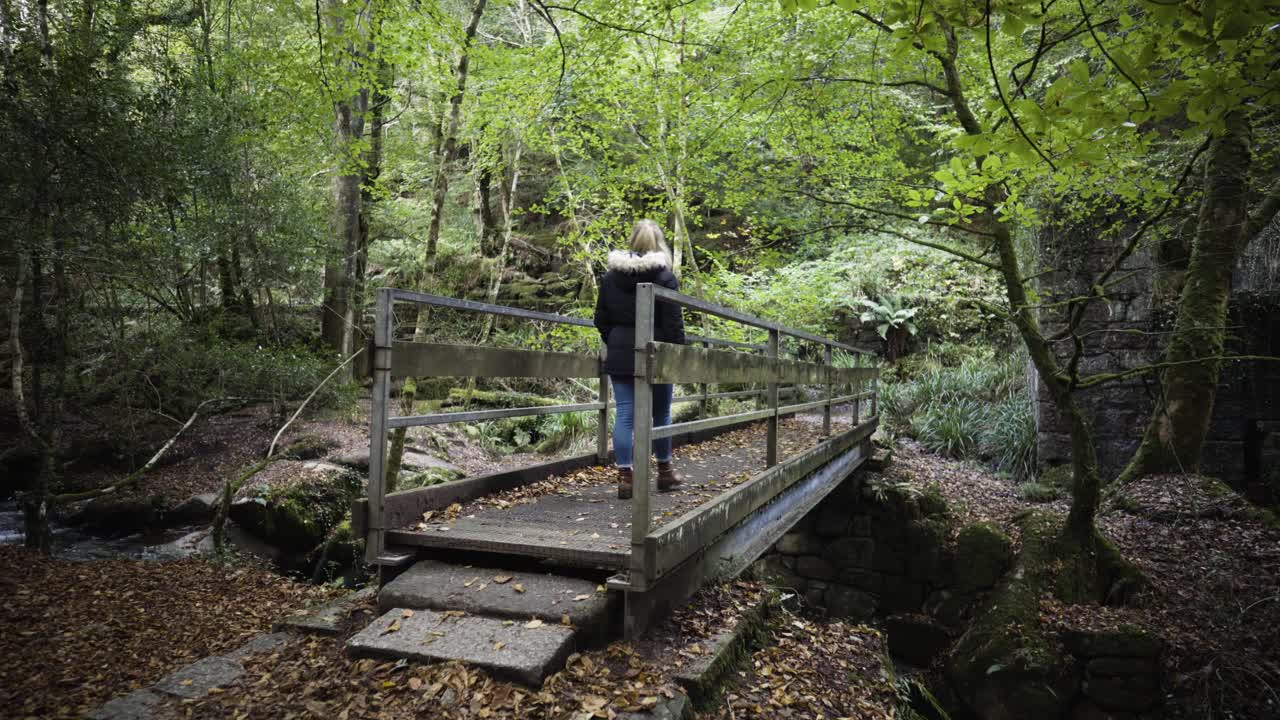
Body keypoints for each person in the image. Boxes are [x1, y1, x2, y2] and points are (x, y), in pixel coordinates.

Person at [593, 219, 686, 499]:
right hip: (656, 351)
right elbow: (673, 324)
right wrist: (676, 353)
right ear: (660, 244)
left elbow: (601, 319)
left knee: (624, 413)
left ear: (633, 241)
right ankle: (665, 472)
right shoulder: (665, 278)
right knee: (661, 414)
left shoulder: (610, 278)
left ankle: (625, 477)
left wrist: (617, 339)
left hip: (621, 351)